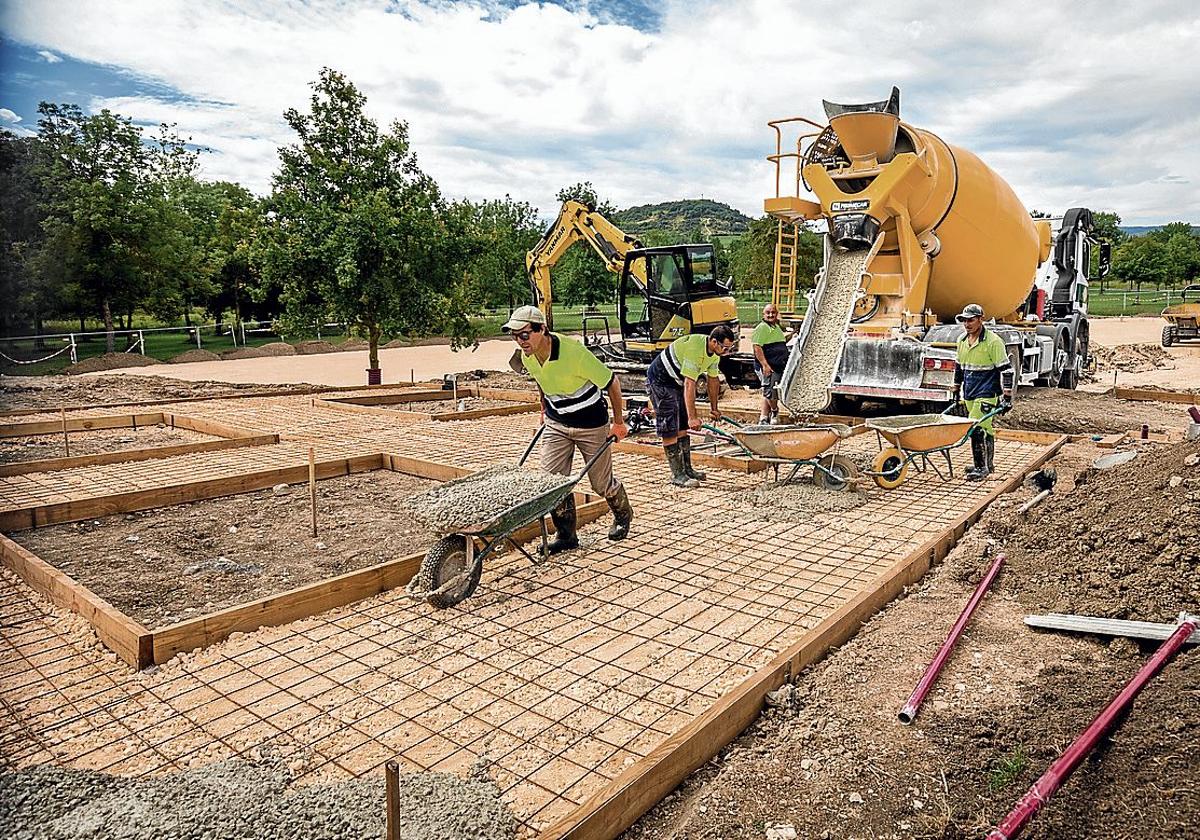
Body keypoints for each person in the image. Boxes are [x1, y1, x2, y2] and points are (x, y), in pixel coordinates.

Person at [503, 305, 633, 551]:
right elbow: (541, 381)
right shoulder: (526, 356)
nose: (520, 341)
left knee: (600, 485)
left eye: (524, 334)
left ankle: (624, 514)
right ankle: (566, 537)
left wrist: (618, 422)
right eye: (514, 335)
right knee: (551, 483)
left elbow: (612, 382)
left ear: (542, 329)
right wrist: (544, 410)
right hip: (557, 424)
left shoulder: (573, 353)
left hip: (591, 425)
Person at [644, 325, 739, 487]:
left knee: (682, 426)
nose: (727, 352)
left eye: (730, 348)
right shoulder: (696, 349)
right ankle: (677, 474)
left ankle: (687, 469)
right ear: (714, 341)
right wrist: (693, 417)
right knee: (669, 428)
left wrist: (714, 408)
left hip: (676, 381)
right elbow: (690, 384)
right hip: (660, 380)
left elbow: (713, 381)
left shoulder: (714, 355)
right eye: (725, 348)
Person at [952, 303, 1013, 481]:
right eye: (964, 321)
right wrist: (956, 389)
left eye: (971, 320)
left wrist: (1007, 397)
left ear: (980, 319)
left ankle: (981, 468)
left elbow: (1006, 370)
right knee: (986, 428)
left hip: (987, 392)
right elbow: (959, 367)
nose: (967, 324)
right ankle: (988, 464)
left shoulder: (993, 342)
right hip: (970, 392)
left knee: (976, 426)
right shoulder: (962, 341)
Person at [751, 303, 790, 424]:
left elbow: (779, 342)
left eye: (773, 312)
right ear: (763, 314)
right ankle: (774, 410)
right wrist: (765, 365)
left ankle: (763, 418)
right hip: (768, 366)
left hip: (778, 365)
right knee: (769, 391)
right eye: (768, 313)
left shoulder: (776, 327)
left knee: (768, 391)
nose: (771, 315)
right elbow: (757, 347)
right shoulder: (762, 328)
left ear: (777, 314)